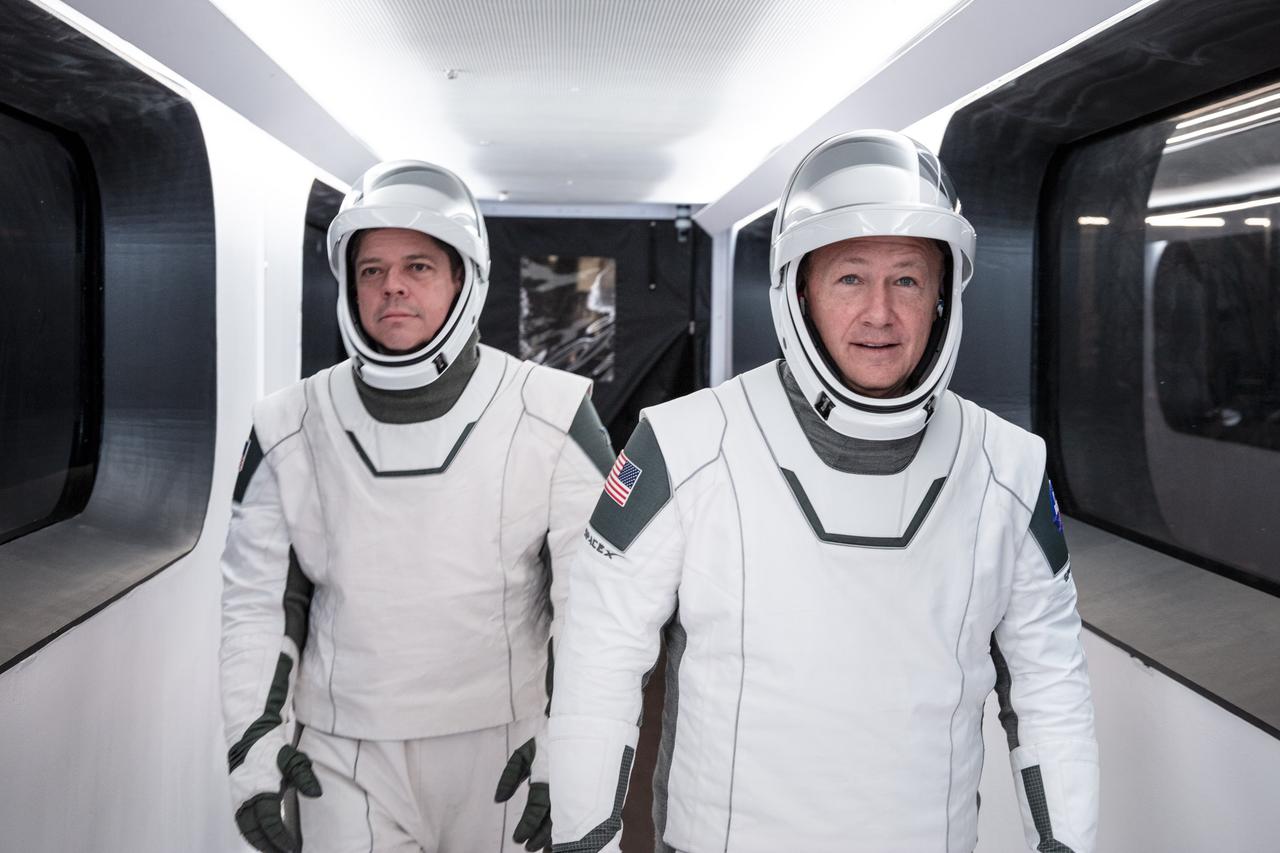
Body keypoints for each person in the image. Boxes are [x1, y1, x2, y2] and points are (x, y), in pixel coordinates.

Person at [548, 130, 1098, 853]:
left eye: (907, 278)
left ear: (943, 296)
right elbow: (600, 653)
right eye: (849, 278)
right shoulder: (685, 444)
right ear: (798, 289)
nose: (880, 312)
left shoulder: (1010, 468)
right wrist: (584, 838)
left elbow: (1051, 690)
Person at [219, 160, 613, 853]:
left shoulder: (551, 412)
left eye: (418, 266)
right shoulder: (288, 423)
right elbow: (258, 600)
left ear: (463, 278)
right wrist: (252, 743)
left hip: (506, 746)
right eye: (371, 269)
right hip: (344, 751)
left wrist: (575, 750)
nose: (391, 285)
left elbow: (599, 602)